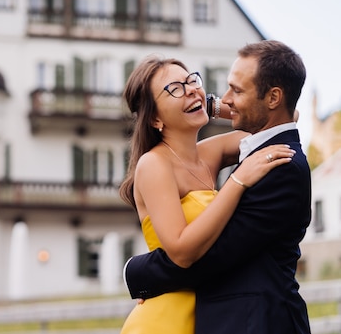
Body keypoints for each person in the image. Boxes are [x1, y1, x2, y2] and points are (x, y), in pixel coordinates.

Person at [122, 40, 311, 334]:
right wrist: (237, 181)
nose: (190, 89)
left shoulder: (210, 153)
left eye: (190, 81)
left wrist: (211, 104)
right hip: (168, 315)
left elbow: (282, 120)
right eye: (174, 89)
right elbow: (182, 251)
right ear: (155, 117)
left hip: (208, 309)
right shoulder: (153, 165)